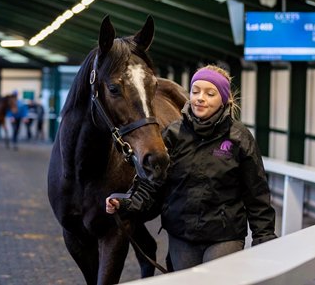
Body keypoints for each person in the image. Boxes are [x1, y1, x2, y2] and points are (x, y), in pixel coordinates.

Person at [106, 65, 277, 271]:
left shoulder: (240, 138)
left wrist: (264, 238)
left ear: (224, 99)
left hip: (224, 236)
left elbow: (256, 193)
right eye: (195, 91)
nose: (200, 98)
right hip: (182, 235)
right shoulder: (172, 135)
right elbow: (151, 185)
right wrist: (125, 204)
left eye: (210, 93)